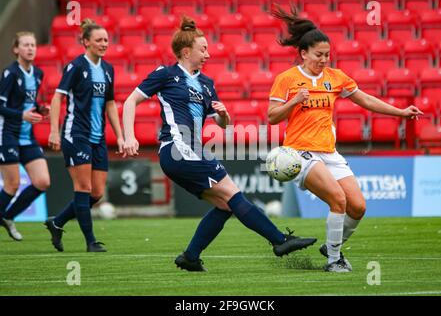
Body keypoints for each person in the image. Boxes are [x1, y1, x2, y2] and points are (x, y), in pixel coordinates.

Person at [122, 16, 317, 272]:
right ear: (185, 51)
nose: (208, 54)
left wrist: (224, 115)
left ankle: (191, 256)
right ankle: (279, 240)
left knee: (225, 204)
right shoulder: (166, 74)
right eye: (203, 49)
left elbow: (222, 125)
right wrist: (129, 136)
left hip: (193, 149)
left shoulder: (206, 84)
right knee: (233, 193)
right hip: (177, 148)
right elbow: (129, 102)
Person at [268, 6, 423, 272]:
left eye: (328, 54)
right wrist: (294, 101)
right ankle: (334, 261)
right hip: (301, 153)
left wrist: (400, 112)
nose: (324, 60)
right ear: (303, 54)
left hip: (330, 152)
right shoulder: (287, 80)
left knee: (358, 207)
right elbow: (271, 117)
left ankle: (331, 246)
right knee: (338, 200)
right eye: (319, 55)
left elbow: (366, 100)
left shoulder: (335, 78)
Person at [46, 19, 124, 252]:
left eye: (106, 40)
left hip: (98, 137)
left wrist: (119, 135)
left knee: (97, 193)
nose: (104, 44)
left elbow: (110, 104)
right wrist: (53, 131)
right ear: (86, 42)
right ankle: (90, 242)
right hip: (76, 133)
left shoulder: (108, 69)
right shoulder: (76, 67)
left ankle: (57, 222)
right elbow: (57, 98)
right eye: (99, 40)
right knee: (83, 187)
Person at [0, 32, 51, 241]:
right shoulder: (10, 74)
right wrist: (21, 115)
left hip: (27, 137)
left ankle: (8, 216)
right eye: (26, 45)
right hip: (8, 135)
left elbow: (28, 103)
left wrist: (40, 109)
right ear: (16, 49)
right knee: (11, 185)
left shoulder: (38, 73)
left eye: (33, 45)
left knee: (43, 182)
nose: (30, 48)